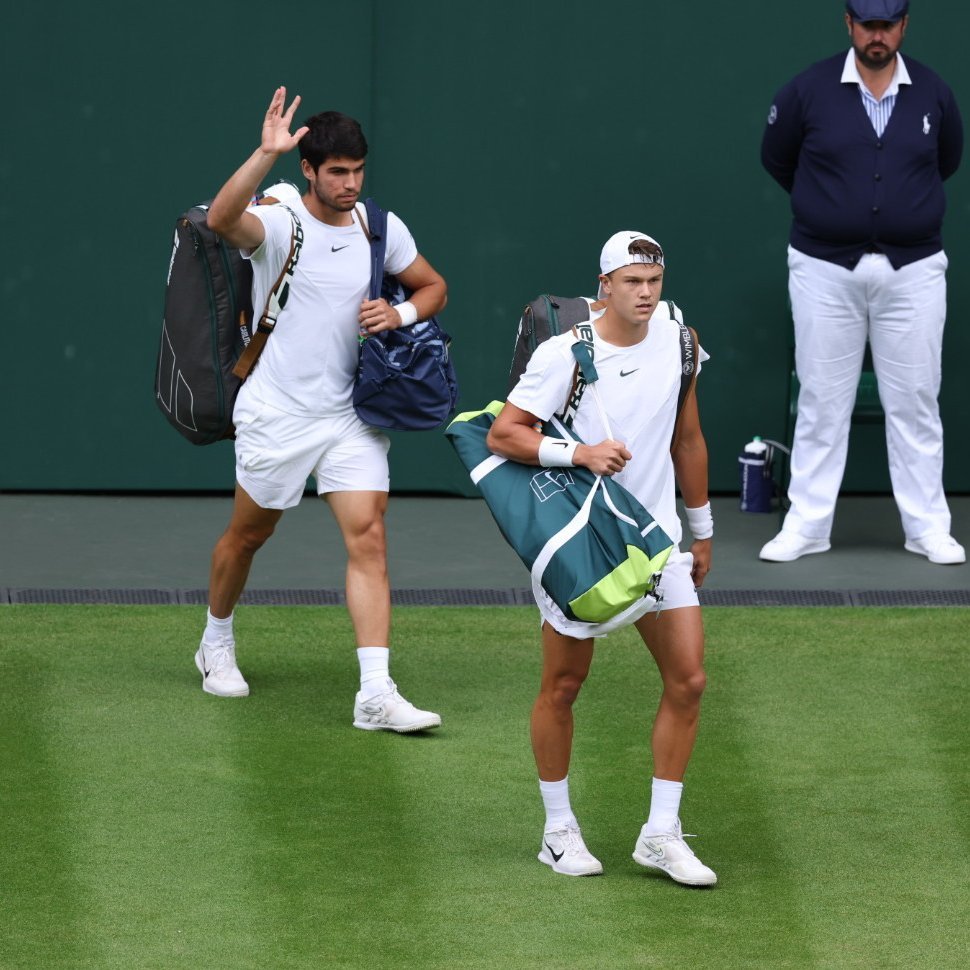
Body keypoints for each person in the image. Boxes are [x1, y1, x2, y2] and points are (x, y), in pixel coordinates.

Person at [196, 87, 446, 733]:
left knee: (370, 539)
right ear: (308, 169)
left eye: (358, 172)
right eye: (337, 172)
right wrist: (263, 152)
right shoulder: (278, 215)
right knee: (248, 536)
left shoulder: (377, 227)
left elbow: (433, 285)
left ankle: (374, 693)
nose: (350, 184)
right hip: (276, 412)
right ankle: (215, 639)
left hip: (349, 418)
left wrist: (400, 311)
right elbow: (222, 221)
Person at [487, 232, 717, 886]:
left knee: (689, 680)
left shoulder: (680, 342)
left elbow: (689, 437)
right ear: (605, 285)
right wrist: (579, 454)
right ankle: (557, 830)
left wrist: (700, 531)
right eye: (632, 282)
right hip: (584, 542)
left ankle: (660, 834)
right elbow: (506, 432)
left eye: (654, 281)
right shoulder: (566, 353)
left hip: (656, 541)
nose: (645, 293)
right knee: (563, 685)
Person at [760, 0, 965, 564]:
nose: (878, 35)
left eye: (888, 24)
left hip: (915, 269)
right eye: (868, 24)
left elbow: (945, 160)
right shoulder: (808, 90)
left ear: (904, 25)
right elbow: (778, 159)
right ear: (848, 23)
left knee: (917, 402)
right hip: (824, 268)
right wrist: (833, 208)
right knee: (822, 401)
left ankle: (927, 528)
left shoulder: (933, 92)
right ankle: (807, 526)